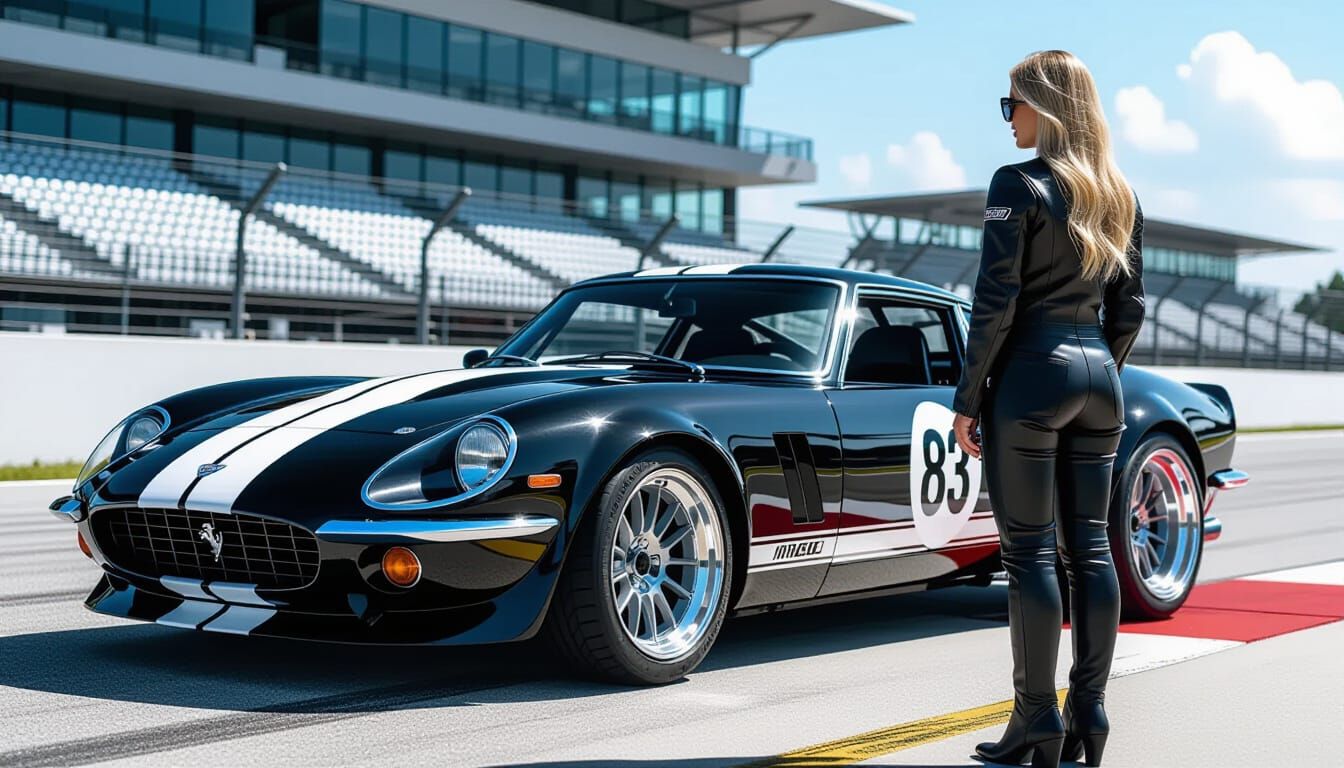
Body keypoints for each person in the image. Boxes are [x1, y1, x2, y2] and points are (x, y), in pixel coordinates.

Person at [950, 49, 1146, 768]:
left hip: (1033, 377)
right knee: (1090, 551)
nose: (1008, 118)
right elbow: (1131, 309)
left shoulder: (1018, 184)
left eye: (1013, 104)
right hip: (1101, 377)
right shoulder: (1118, 194)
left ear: (1046, 108)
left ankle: (1036, 719)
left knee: (1029, 554)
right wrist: (1099, 372)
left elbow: (994, 302)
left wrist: (969, 399)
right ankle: (1089, 709)